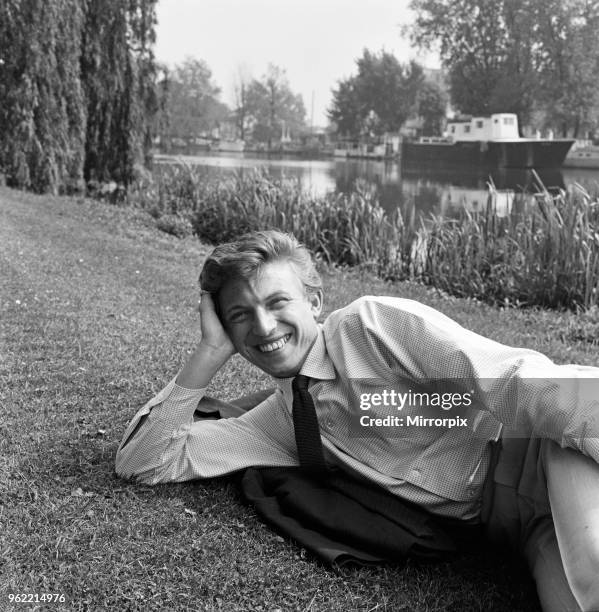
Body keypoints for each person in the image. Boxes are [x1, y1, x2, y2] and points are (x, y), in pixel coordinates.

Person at [115, 230, 599, 612]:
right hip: (518, 530)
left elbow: (517, 384)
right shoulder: (279, 424)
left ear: (315, 303)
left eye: (277, 302)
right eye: (240, 316)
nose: (263, 327)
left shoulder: (370, 328)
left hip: (547, 449)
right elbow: (144, 462)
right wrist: (209, 353)